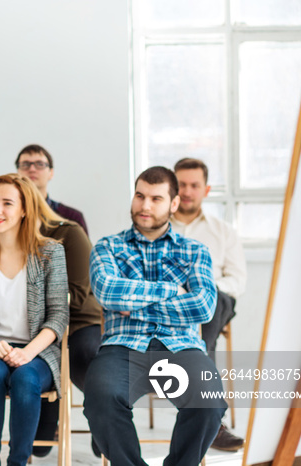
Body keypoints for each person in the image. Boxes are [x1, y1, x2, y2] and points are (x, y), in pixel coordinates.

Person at [84, 166, 227, 466]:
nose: (145, 206)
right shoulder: (107, 247)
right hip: (121, 346)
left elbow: (202, 306)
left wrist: (134, 302)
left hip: (181, 347)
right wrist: (172, 290)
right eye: (140, 196)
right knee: (101, 397)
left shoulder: (195, 251)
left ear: (174, 204)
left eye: (156, 199)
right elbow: (108, 292)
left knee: (209, 401)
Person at [0, 173, 69, 466]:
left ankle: (19, 462)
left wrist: (28, 352)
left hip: (37, 351)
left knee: (26, 378)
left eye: (7, 203)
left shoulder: (50, 253)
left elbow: (59, 316)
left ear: (24, 210)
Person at [172, 157, 247, 452]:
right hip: (173, 305)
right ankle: (208, 417)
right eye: (181, 184)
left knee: (208, 308)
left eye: (194, 185)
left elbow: (237, 280)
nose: (187, 191)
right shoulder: (156, 228)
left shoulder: (223, 231)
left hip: (217, 301)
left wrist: (206, 290)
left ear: (207, 189)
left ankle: (208, 415)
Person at [27, 184, 103, 458]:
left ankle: (102, 416)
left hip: (80, 320)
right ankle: (43, 429)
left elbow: (79, 294)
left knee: (84, 352)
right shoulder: (5, 239)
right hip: (34, 327)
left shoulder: (69, 232)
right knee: (40, 445)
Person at [15, 144, 88, 235]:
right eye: (25, 164)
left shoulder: (72, 217)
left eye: (40, 164)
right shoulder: (5, 215)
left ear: (51, 173)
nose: (32, 169)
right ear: (17, 172)